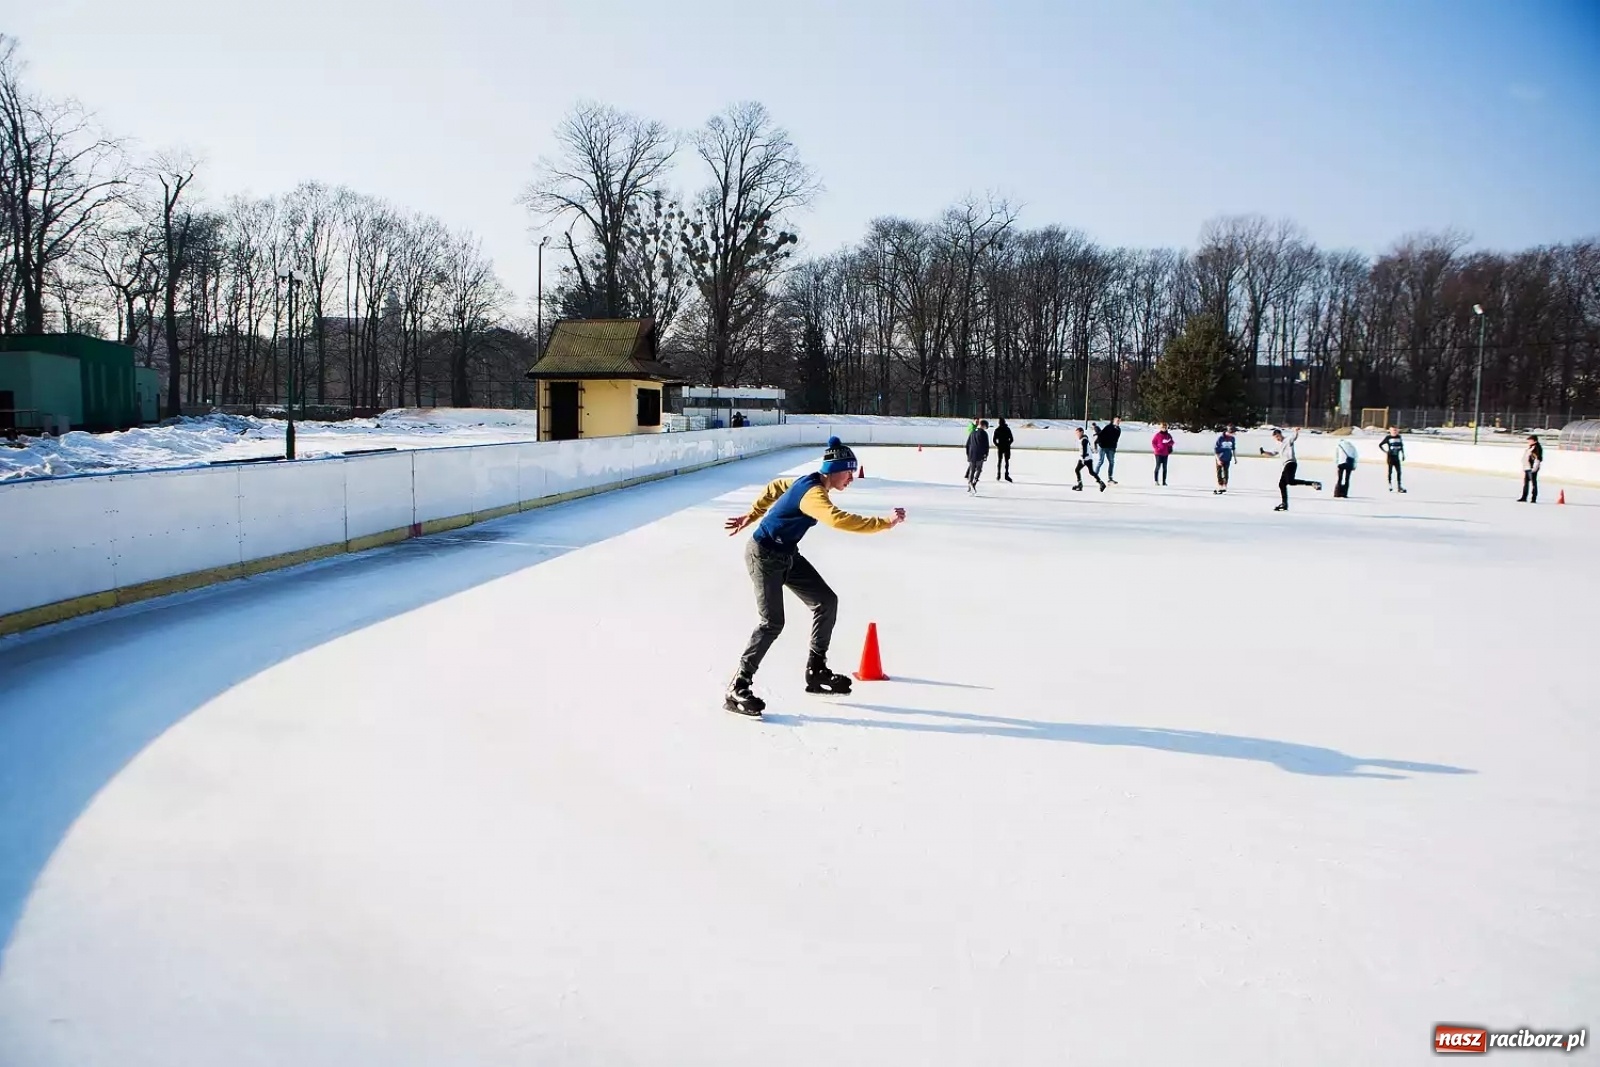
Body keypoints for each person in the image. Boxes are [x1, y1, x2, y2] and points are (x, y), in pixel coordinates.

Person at [721, 437, 906, 717]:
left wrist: (753, 513)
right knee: (772, 623)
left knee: (826, 601)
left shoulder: (808, 484)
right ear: (834, 469)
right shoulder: (813, 494)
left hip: (786, 556)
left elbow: (775, 487)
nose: (852, 478)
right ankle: (738, 687)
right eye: (849, 472)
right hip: (764, 555)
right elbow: (838, 519)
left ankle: (816, 671)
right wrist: (885, 523)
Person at [1261, 427, 1322, 511]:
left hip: (1291, 463)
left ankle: (1313, 483)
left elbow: (1294, 437)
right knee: (1282, 484)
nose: (1276, 439)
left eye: (1276, 437)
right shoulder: (1278, 445)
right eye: (1275, 438)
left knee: (1290, 481)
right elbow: (1272, 453)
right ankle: (1284, 504)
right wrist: (1264, 452)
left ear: (1279, 434)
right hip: (1286, 464)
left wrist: (1296, 431)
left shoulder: (1288, 440)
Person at [1073, 427, 1106, 492]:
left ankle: (1080, 484)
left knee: (1078, 470)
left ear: (1081, 432)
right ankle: (1101, 483)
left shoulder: (1084, 440)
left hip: (1086, 458)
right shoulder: (1083, 439)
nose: (1076, 434)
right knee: (1090, 472)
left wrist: (1083, 459)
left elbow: (1085, 449)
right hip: (1086, 458)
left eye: (1077, 433)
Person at [964, 418, 991, 493]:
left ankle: (969, 483)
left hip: (971, 454)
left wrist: (968, 454)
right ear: (984, 426)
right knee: (979, 469)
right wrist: (986, 454)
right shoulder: (984, 433)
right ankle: (974, 482)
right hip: (979, 454)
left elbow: (967, 444)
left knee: (972, 470)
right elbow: (986, 446)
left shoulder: (972, 432)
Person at [1094, 416, 1122, 483]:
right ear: (1114, 421)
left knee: (1111, 462)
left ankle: (1110, 478)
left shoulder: (1118, 430)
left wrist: (1114, 449)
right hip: (1103, 446)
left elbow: (1115, 440)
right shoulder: (1108, 427)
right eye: (1117, 420)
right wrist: (1097, 443)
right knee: (1101, 461)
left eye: (1119, 421)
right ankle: (1095, 475)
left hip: (1111, 448)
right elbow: (1101, 434)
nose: (1118, 422)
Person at [1379, 426, 1407, 492]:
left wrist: (1403, 455)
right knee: (1390, 471)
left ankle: (1399, 486)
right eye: (1393, 430)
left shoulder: (1399, 437)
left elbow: (1401, 446)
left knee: (1399, 472)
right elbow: (1380, 445)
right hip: (1390, 457)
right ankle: (1390, 484)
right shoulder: (1388, 438)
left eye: (1396, 430)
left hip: (1396, 457)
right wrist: (1386, 451)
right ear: (1390, 431)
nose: (1395, 432)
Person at [1213, 424, 1237, 494]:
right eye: (1232, 433)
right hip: (1220, 457)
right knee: (1219, 472)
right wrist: (1218, 459)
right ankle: (1220, 485)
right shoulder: (1220, 438)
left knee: (1226, 472)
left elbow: (1233, 448)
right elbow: (1215, 450)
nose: (1233, 434)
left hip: (1228, 457)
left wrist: (1235, 458)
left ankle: (1224, 485)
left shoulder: (1232, 439)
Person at [1519, 435, 1543, 503]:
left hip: (1532, 468)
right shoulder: (1530, 447)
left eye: (1530, 440)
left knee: (1533, 483)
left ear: (1534, 440)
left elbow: (1538, 459)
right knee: (1526, 483)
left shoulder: (1537, 448)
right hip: (1527, 467)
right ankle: (1524, 497)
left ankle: (1533, 498)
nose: (1528, 441)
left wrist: (1534, 468)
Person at [993, 417, 1014, 481]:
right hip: (1006, 447)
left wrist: (998, 445)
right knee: (1006, 461)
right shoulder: (1007, 429)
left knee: (1000, 461)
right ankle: (1006, 475)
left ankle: (998, 475)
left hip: (1000, 447)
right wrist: (1008, 444)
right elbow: (1012, 439)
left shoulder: (997, 430)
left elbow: (994, 440)